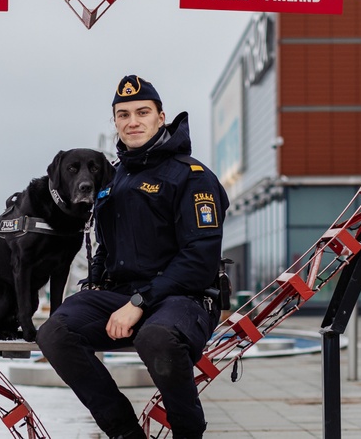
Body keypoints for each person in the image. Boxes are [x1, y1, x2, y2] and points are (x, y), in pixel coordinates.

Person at [36, 75, 230, 439]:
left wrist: (140, 302)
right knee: (55, 333)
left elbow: (199, 259)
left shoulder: (192, 177)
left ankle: (189, 431)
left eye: (143, 112)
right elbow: (106, 242)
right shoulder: (116, 177)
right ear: (115, 122)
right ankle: (125, 432)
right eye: (123, 114)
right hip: (125, 295)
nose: (133, 121)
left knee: (155, 338)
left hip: (185, 298)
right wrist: (96, 279)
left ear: (161, 117)